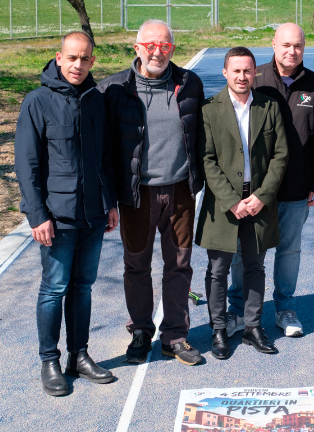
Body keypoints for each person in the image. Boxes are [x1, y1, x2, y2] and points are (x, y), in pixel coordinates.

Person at [14, 31, 117, 396]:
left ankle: (79, 355)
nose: (78, 65)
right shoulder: (37, 101)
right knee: (54, 288)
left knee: (83, 287)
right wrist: (37, 214)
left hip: (92, 214)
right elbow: (27, 165)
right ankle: (49, 360)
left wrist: (110, 203)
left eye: (85, 59)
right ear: (59, 58)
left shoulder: (96, 100)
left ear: (92, 61)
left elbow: (105, 158)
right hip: (55, 218)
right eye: (72, 58)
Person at [98, 19, 205, 366]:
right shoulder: (114, 90)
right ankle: (142, 330)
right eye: (151, 45)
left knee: (179, 265)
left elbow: (201, 136)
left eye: (165, 46)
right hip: (137, 195)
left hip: (180, 193)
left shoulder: (189, 84)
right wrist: (109, 198)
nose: (158, 51)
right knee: (136, 266)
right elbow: (103, 151)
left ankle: (175, 335)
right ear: (137, 48)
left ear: (172, 49)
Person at [225, 23, 314, 338]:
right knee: (245, 251)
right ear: (273, 44)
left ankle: (285, 308)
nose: (291, 51)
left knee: (289, 250)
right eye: (285, 45)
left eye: (297, 46)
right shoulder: (253, 80)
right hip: (253, 189)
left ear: (304, 47)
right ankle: (237, 310)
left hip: (296, 188)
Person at [196, 47, 288, 359]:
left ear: (255, 72)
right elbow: (208, 161)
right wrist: (232, 201)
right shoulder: (209, 109)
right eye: (236, 70)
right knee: (218, 270)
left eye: (247, 70)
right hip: (224, 204)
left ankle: (252, 327)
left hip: (258, 200)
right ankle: (219, 329)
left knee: (255, 266)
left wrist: (261, 197)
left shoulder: (269, 106)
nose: (242, 76)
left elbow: (280, 155)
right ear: (225, 72)